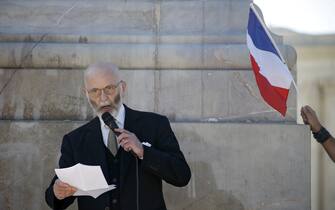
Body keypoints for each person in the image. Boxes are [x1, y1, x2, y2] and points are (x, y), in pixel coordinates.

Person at [45, 62, 191, 210]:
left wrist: (143, 152)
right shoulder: (75, 140)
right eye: (95, 91)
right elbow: (55, 200)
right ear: (86, 94)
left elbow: (182, 175)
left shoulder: (154, 124)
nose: (103, 98)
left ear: (122, 88)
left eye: (109, 88)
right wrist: (57, 192)